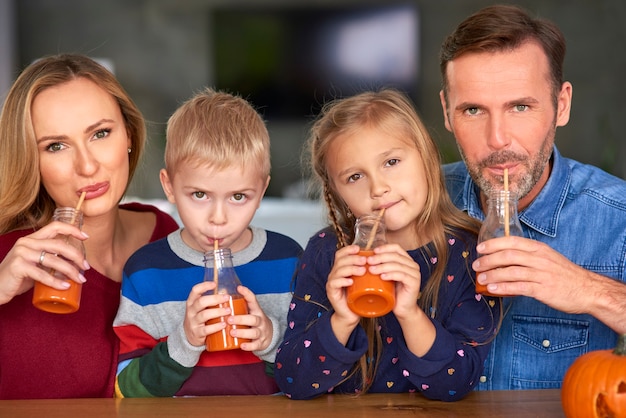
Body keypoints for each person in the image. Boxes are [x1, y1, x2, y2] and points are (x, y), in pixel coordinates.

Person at [439, 5, 626, 391]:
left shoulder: (618, 219)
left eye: (520, 107)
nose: (497, 139)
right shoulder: (412, 206)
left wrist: (589, 290)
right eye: (473, 110)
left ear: (561, 105)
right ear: (446, 111)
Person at [274, 89, 500, 402]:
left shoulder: (469, 253)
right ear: (338, 194)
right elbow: (292, 381)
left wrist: (409, 313)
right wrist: (342, 317)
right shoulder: (326, 252)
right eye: (355, 177)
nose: (378, 188)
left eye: (391, 161)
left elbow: (456, 384)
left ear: (427, 156)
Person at [0, 54, 179, 399]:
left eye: (100, 133)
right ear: (31, 160)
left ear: (128, 134)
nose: (86, 165)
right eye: (56, 146)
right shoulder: (8, 258)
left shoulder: (165, 235)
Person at [113, 87, 303, 397]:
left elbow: (316, 376)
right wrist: (184, 341)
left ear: (262, 189)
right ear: (170, 187)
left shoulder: (289, 261)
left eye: (239, 196)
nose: (218, 217)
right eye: (199, 195)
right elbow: (125, 389)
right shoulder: (146, 272)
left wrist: (271, 339)